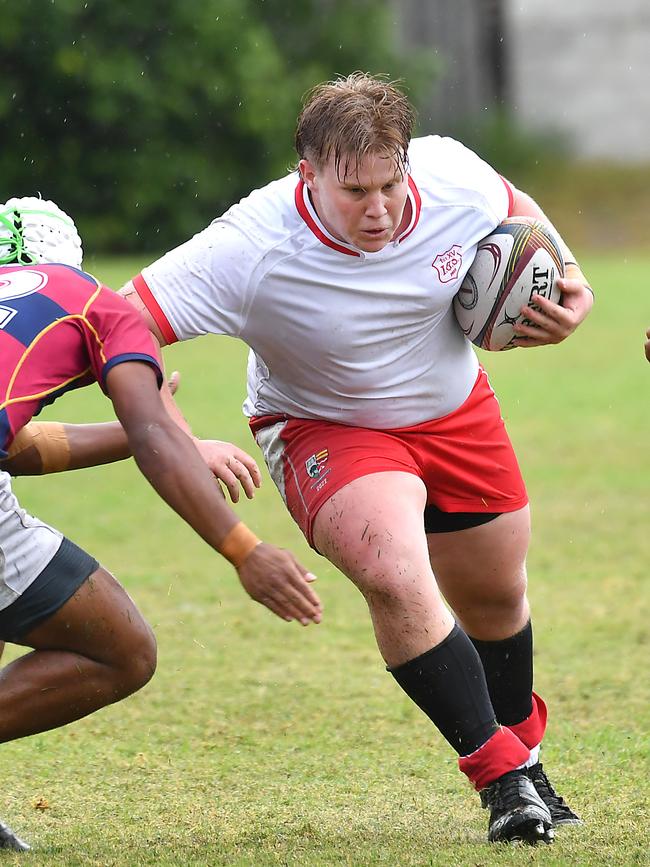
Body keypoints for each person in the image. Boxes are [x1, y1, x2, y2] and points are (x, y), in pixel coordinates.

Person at [120, 73, 594, 845]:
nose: (378, 209)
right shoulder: (250, 244)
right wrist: (175, 427)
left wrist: (572, 287)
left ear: (408, 160)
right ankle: (502, 779)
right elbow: (119, 324)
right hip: (324, 425)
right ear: (306, 173)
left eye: (389, 183)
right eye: (354, 191)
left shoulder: (452, 174)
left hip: (454, 410)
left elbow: (517, 214)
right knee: (392, 571)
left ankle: (526, 753)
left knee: (497, 596)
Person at [0, 197, 322, 852]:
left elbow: (18, 447)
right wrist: (244, 548)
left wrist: (157, 434)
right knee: (122, 648)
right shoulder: (97, 303)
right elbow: (151, 436)